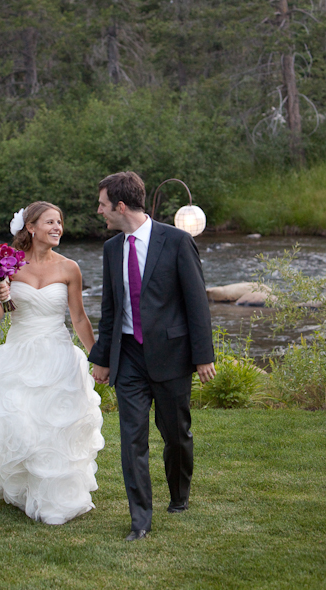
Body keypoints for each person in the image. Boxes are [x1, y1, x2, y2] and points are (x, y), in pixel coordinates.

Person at [88, 172, 215, 541]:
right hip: (128, 356)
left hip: (172, 356)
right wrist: (103, 357)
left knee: (176, 434)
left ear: (121, 206)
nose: (99, 211)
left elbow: (196, 301)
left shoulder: (176, 241)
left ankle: (179, 495)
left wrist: (202, 355)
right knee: (132, 439)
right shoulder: (112, 249)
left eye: (102, 204)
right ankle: (140, 520)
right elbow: (110, 309)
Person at [0, 201, 104, 525]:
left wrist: (98, 358)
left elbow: (79, 318)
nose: (57, 227)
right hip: (20, 353)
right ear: (31, 227)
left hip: (58, 354)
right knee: (20, 422)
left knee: (55, 427)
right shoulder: (8, 266)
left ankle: (55, 492)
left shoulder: (69, 268)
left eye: (60, 222)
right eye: (50, 222)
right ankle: (23, 486)